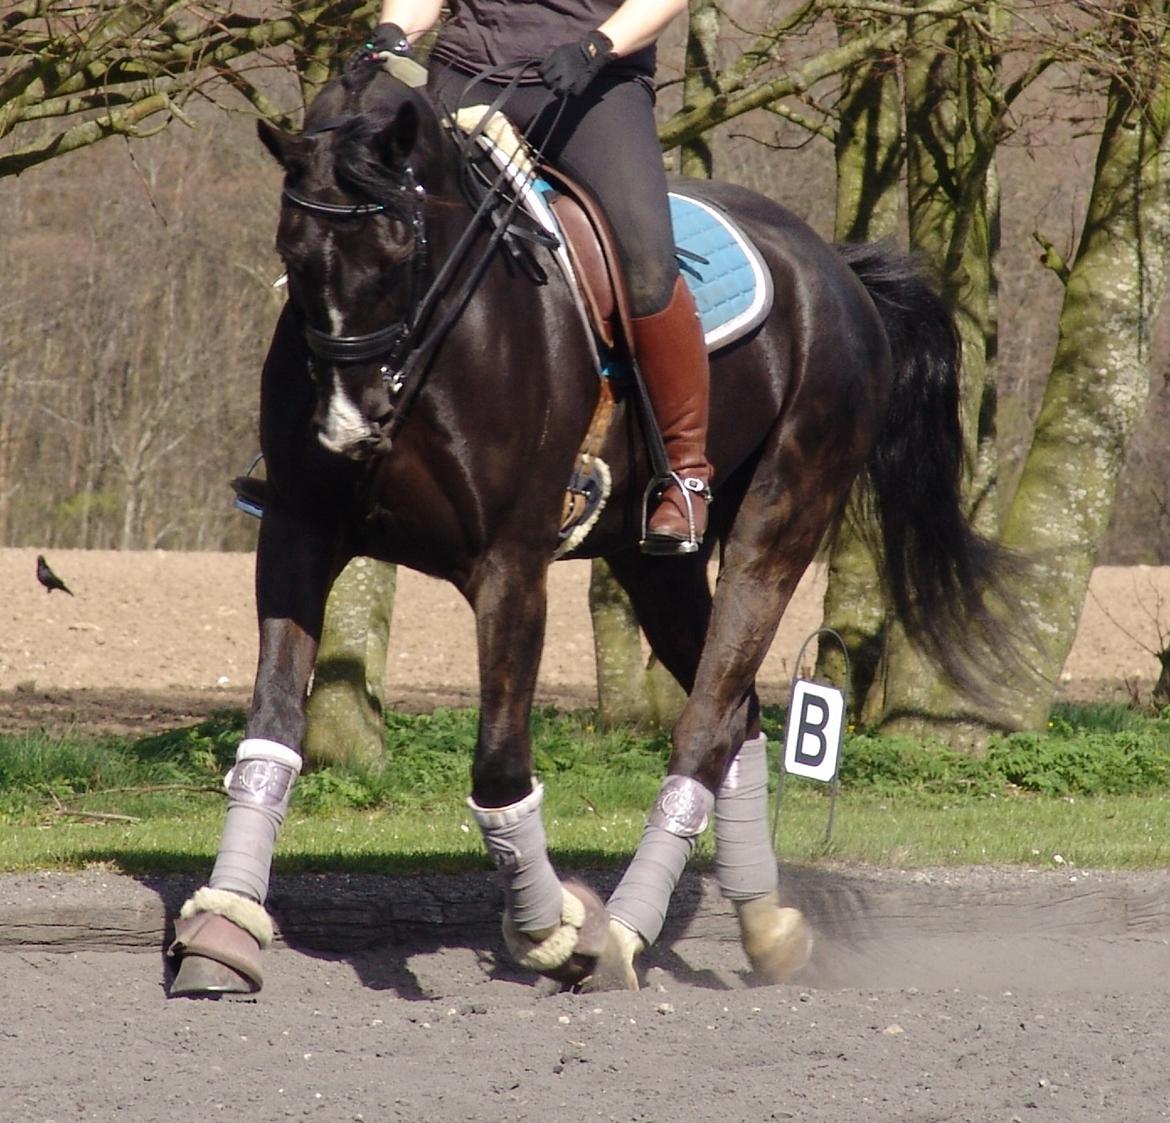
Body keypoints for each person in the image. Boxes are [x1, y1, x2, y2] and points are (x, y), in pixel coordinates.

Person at [367, 0, 712, 555]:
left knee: (645, 267)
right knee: (360, 208)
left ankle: (684, 473)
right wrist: (393, 32)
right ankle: (318, 443)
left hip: (593, 83)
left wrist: (598, 45)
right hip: (466, 70)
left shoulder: (598, 60)